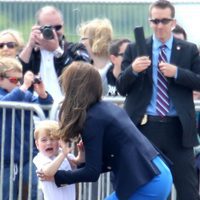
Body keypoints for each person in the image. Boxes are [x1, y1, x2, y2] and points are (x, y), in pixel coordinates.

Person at [38, 61, 172, 200]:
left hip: (148, 179)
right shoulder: (106, 108)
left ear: (73, 88)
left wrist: (56, 176)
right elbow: (106, 160)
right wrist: (81, 162)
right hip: (156, 172)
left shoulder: (91, 118)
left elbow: (92, 173)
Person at [116, 0, 200, 199]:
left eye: (164, 20)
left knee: (188, 189)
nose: (159, 25)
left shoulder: (189, 49)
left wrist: (177, 73)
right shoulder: (135, 48)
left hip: (177, 129)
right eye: (155, 21)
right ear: (149, 22)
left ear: (173, 22)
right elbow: (121, 87)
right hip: (145, 128)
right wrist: (133, 70)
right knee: (146, 185)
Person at [0, 57, 53, 200]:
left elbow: (45, 108)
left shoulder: (25, 95)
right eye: (13, 80)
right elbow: (4, 102)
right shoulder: (16, 93)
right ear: (1, 79)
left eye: (20, 80)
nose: (18, 83)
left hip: (28, 156)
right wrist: (23, 87)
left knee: (40, 189)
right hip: (5, 160)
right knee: (7, 195)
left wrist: (43, 94)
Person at [18, 5, 90, 102]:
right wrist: (29, 46)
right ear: (37, 28)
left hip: (67, 111)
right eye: (48, 28)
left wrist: (57, 51)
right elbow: (15, 72)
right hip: (34, 112)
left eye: (57, 27)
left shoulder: (75, 49)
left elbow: (85, 74)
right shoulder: (30, 52)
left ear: (63, 26)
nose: (54, 32)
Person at [33, 120, 76, 200]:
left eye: (53, 139)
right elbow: (48, 172)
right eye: (44, 140)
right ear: (37, 144)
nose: (49, 143)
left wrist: (83, 152)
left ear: (60, 141)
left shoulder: (66, 156)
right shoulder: (40, 158)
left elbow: (77, 166)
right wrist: (63, 154)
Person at [78, 18, 113, 95]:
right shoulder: (83, 65)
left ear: (96, 40)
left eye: (83, 39)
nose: (81, 43)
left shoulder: (113, 69)